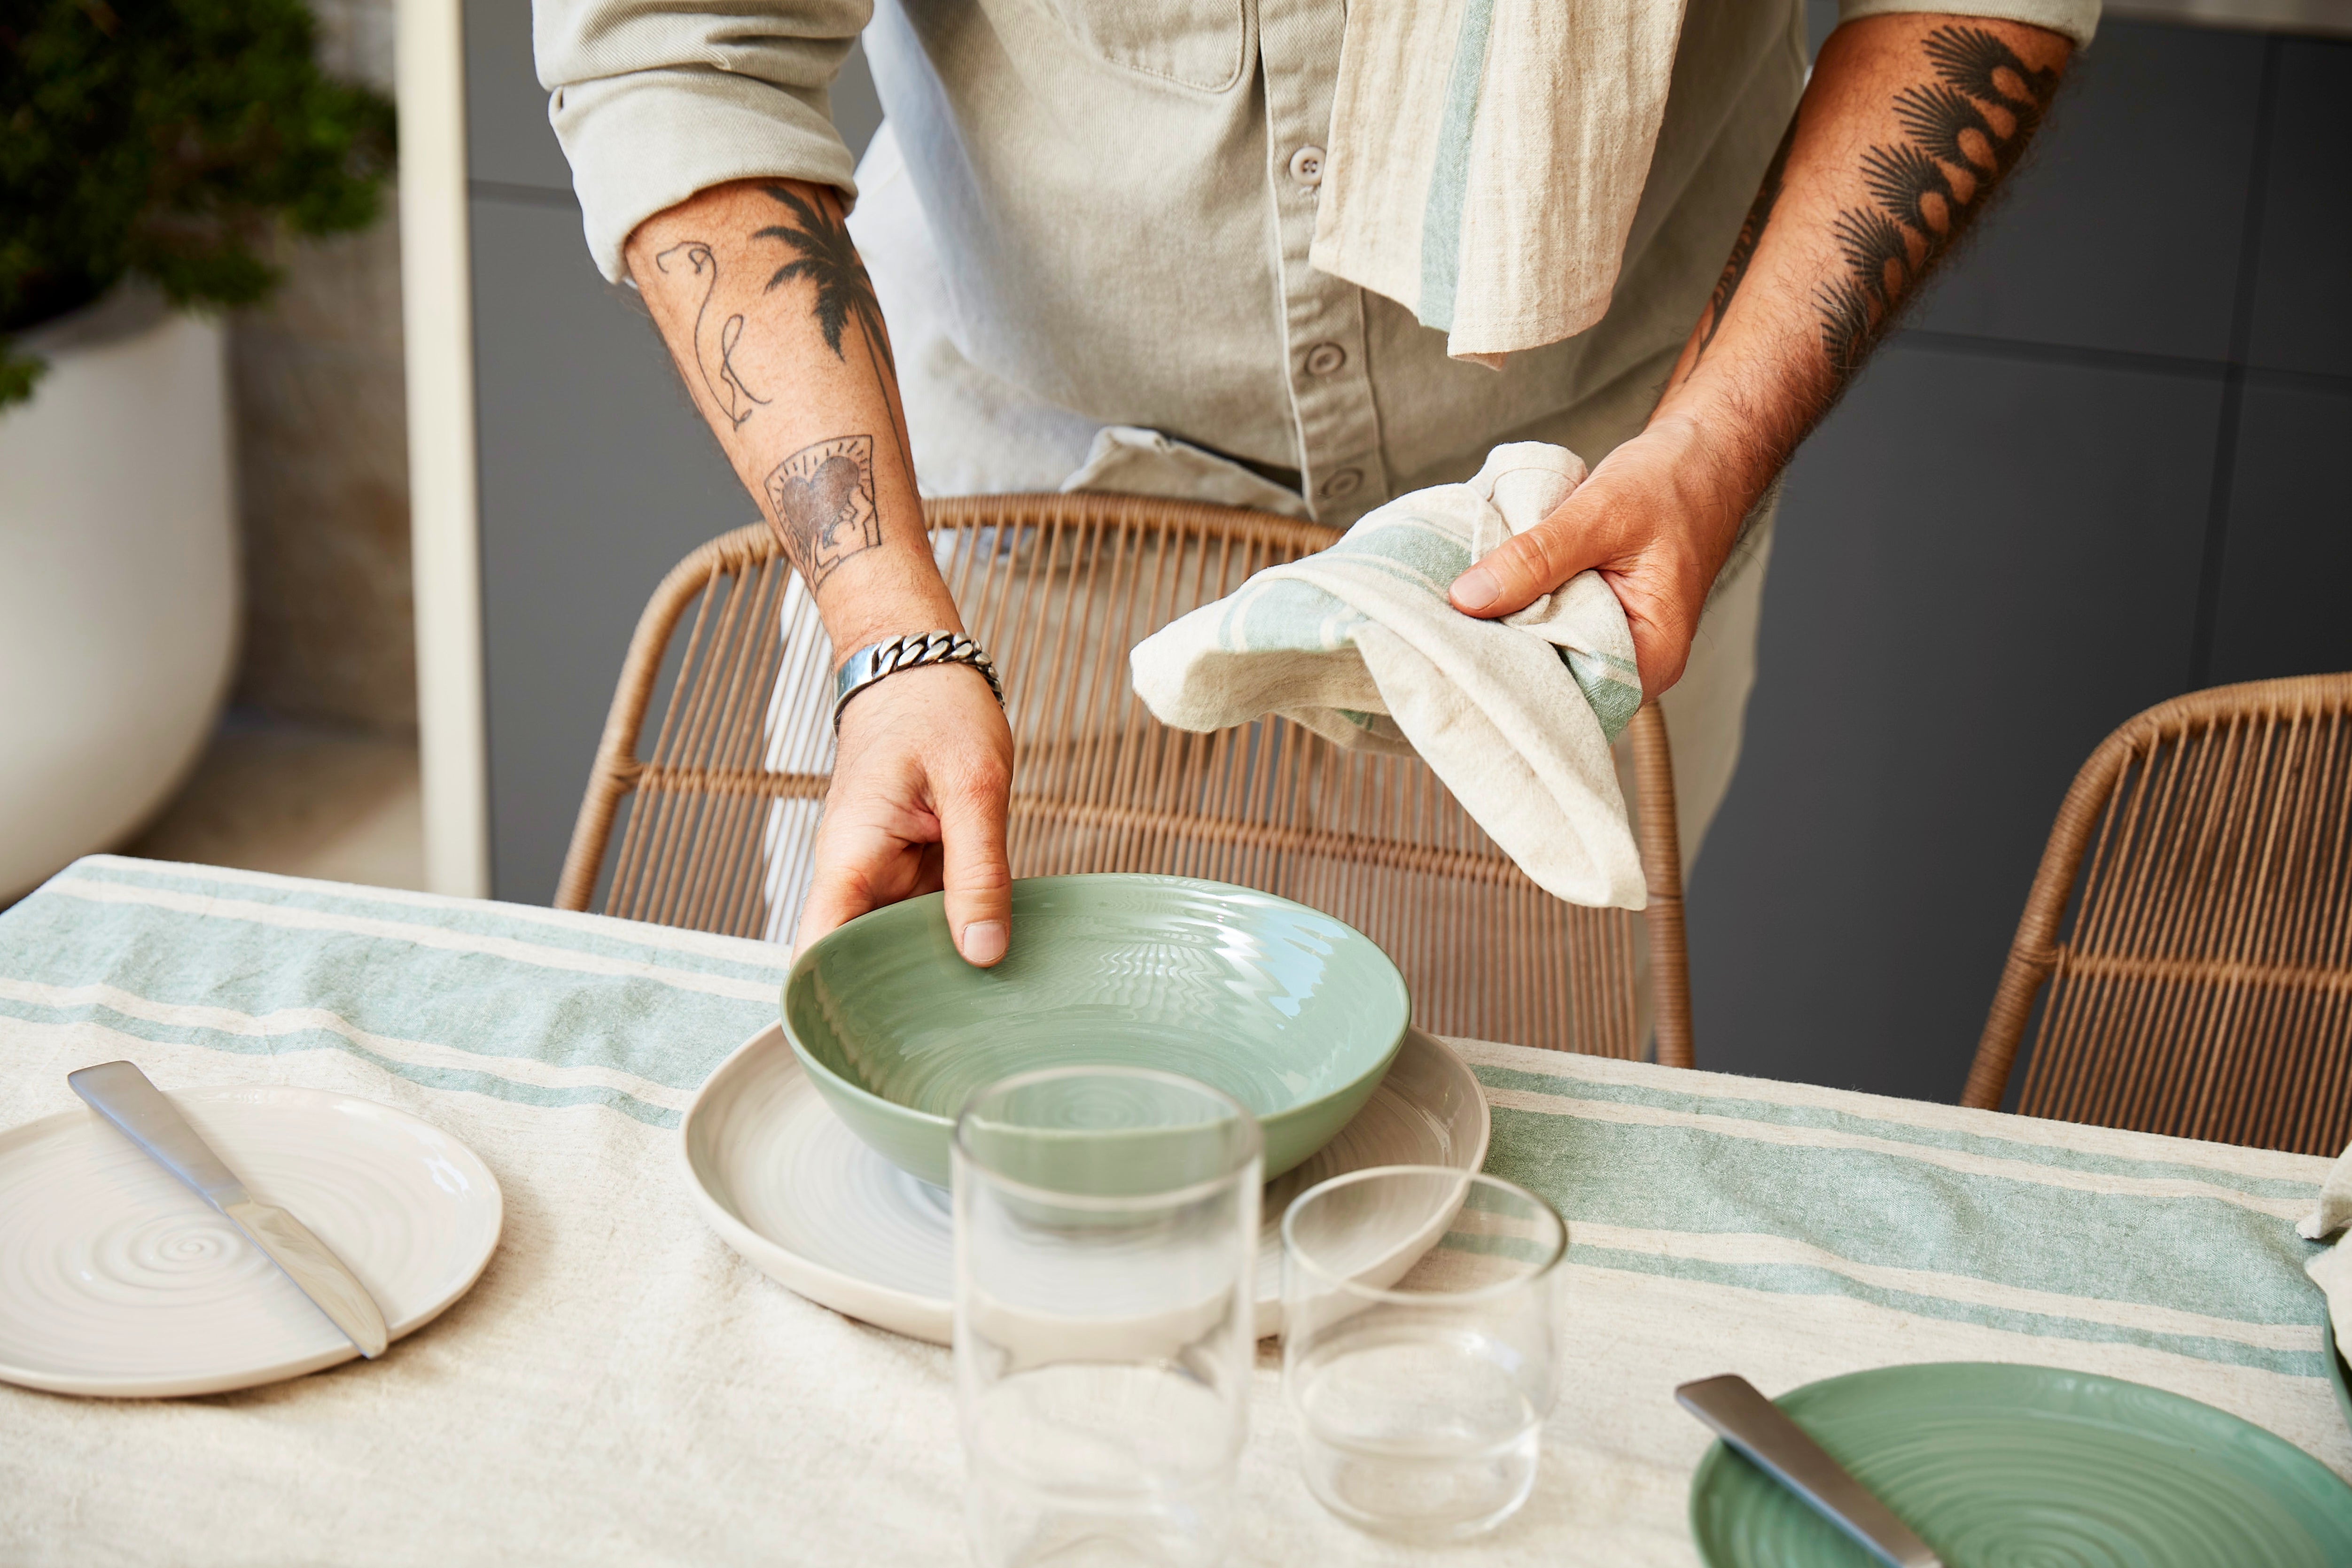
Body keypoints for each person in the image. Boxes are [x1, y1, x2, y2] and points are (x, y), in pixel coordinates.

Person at [537, 0, 2090, 965]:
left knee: (1459, 1214)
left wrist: (1711, 446)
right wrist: (889, 624)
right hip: (988, 549)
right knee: (929, 1180)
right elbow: (680, 43)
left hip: (1578, 541)